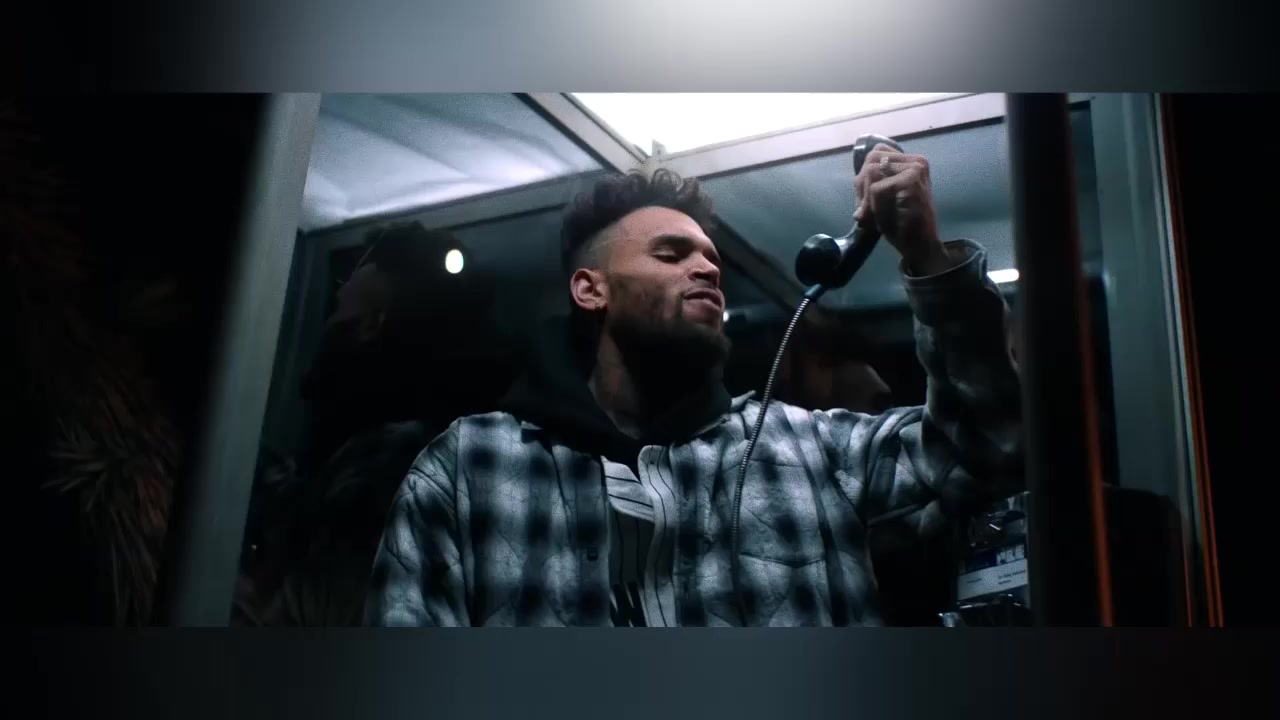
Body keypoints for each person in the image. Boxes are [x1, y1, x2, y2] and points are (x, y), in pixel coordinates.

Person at [366, 146, 1023, 626]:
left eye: (711, 258)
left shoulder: (810, 448)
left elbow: (985, 448)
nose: (708, 269)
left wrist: (927, 259)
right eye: (672, 255)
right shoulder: (473, 466)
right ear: (591, 290)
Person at [234, 221, 506, 625]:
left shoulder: (388, 468)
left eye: (337, 309)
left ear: (370, 324)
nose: (326, 324)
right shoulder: (417, 456)